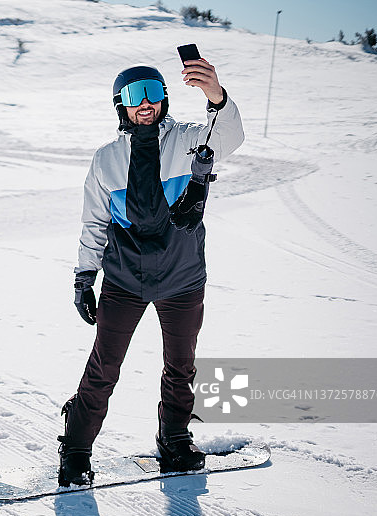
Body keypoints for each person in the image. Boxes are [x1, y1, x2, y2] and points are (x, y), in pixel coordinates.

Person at [58, 59, 245, 486]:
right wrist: (85, 277)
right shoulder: (107, 160)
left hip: (182, 277)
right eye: (134, 95)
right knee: (104, 367)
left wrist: (216, 96)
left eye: (153, 92)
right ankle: (76, 449)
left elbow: (230, 136)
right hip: (125, 279)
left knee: (181, 366)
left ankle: (174, 438)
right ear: (120, 105)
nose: (145, 103)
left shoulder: (189, 141)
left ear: (165, 98)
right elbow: (94, 223)